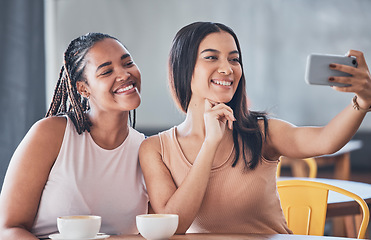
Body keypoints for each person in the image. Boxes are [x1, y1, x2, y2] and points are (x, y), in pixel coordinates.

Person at [139, 21, 371, 234]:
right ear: (182, 67)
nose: (228, 69)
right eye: (211, 58)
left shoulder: (261, 132)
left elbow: (326, 141)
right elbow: (174, 226)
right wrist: (210, 143)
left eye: (234, 59)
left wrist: (362, 102)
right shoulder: (155, 149)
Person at [0, 33, 148, 239]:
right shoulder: (52, 134)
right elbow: (8, 228)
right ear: (83, 88)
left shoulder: (146, 150)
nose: (124, 75)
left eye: (128, 63)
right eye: (106, 71)